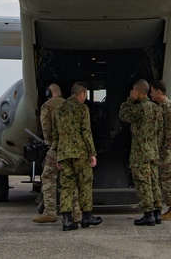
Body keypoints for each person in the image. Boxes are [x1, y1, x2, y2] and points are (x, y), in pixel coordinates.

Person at [52, 81, 103, 231]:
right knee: (85, 183)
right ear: (81, 94)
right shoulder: (82, 108)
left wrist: (56, 154)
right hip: (80, 153)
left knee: (66, 186)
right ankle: (86, 216)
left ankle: (67, 220)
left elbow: (55, 135)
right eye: (85, 95)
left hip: (63, 153)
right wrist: (92, 153)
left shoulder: (59, 110)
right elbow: (86, 132)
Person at [32, 84, 82, 224]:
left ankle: (50, 212)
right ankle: (77, 213)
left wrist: (49, 143)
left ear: (49, 92)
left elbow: (46, 127)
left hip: (56, 148)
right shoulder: (70, 105)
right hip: (71, 149)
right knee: (70, 180)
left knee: (48, 178)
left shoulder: (47, 105)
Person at [118, 79, 162, 226]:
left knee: (143, 184)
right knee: (154, 183)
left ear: (137, 92)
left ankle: (148, 214)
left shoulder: (140, 108)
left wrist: (130, 100)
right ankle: (157, 213)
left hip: (140, 154)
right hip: (153, 152)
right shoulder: (156, 108)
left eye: (133, 91)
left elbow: (123, 115)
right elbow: (160, 132)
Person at [149, 79, 171, 221]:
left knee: (168, 180)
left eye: (152, 91)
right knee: (164, 179)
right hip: (163, 149)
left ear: (158, 92)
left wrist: (167, 151)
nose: (150, 94)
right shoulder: (161, 106)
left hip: (167, 150)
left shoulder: (168, 107)